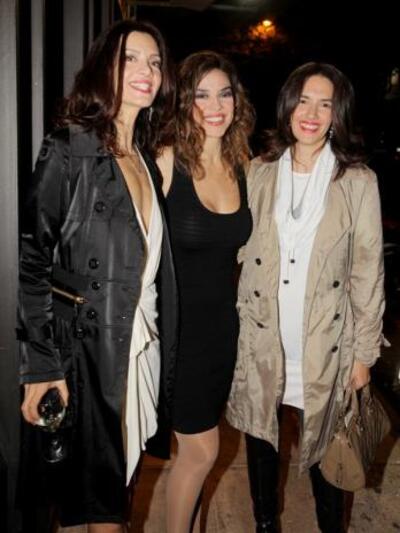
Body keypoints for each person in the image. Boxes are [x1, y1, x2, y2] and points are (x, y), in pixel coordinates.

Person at [17, 19, 177, 531]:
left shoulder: (144, 158)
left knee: (112, 493)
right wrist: (41, 367)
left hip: (137, 344)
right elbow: (31, 258)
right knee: (100, 504)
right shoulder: (70, 147)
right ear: (103, 66)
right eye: (130, 58)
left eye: (154, 62)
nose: (146, 71)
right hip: (87, 352)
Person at [225, 62, 385, 533]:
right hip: (264, 339)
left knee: (328, 458)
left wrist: (364, 354)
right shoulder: (258, 171)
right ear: (287, 105)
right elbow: (235, 248)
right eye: (304, 101)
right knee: (261, 444)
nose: (311, 114)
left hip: (326, 345)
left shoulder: (357, 181)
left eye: (325, 104)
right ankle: (265, 525)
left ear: (338, 114)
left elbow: (367, 271)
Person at [156, 50, 255, 533]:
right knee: (201, 450)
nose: (215, 106)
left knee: (196, 454)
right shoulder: (165, 161)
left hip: (222, 333)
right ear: (183, 102)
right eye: (200, 95)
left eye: (224, 94)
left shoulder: (242, 165)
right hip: (178, 334)